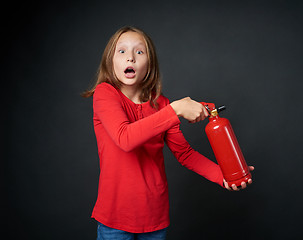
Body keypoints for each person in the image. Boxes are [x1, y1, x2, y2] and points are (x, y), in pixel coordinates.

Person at [82, 26, 254, 240]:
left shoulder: (161, 104)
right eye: (122, 51)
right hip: (115, 219)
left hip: (155, 218)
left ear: (150, 64)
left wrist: (224, 176)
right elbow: (125, 138)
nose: (131, 58)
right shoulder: (105, 94)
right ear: (110, 61)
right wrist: (176, 110)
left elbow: (185, 154)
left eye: (139, 52)